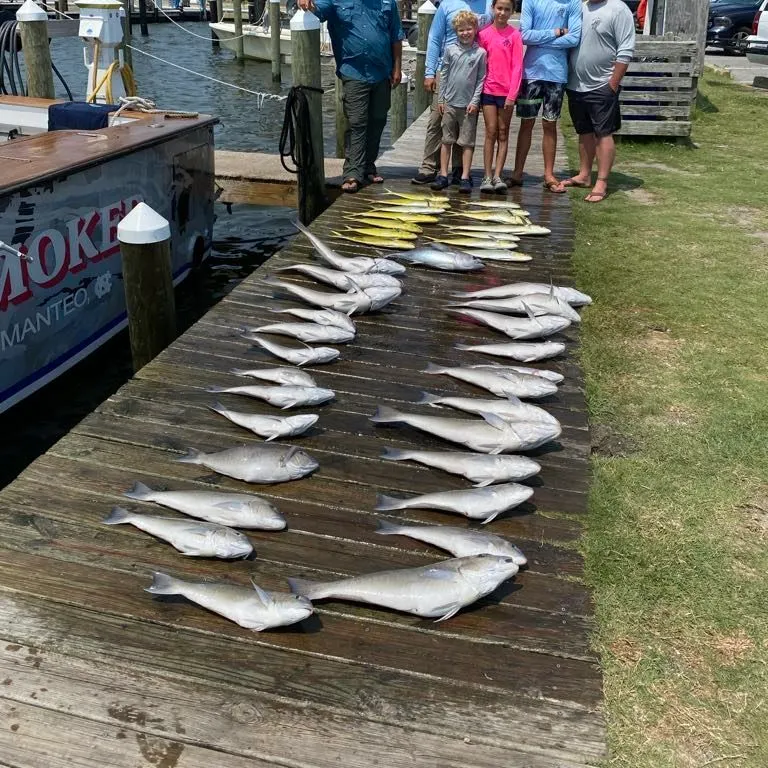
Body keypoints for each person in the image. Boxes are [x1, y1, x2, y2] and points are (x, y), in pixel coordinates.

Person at [298, 0, 404, 193]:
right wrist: (306, 3)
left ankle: (368, 167)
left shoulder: (388, 3)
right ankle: (352, 172)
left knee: (378, 119)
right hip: (354, 71)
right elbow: (316, 10)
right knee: (357, 122)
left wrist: (397, 68)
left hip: (382, 71)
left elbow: (396, 36)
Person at [559, 0, 635, 202]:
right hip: (576, 85)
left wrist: (613, 84)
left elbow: (626, 49)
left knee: (603, 133)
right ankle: (584, 175)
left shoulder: (618, 9)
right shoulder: (581, 8)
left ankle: (601, 180)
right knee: (584, 132)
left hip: (602, 84)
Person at [411, 0, 491, 186]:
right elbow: (434, 38)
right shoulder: (447, 4)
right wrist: (430, 72)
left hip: (472, 71)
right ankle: (429, 167)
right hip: (446, 69)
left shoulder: (488, 5)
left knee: (464, 124)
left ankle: (458, 170)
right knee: (436, 121)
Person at [506, 0, 582, 192]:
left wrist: (541, 39)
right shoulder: (531, 1)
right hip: (531, 73)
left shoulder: (572, 2)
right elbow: (525, 35)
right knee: (527, 122)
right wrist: (556, 32)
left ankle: (549, 174)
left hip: (557, 74)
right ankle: (517, 172)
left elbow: (574, 38)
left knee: (550, 124)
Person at [431, 11, 487, 193]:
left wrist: (475, 100)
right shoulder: (450, 50)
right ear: (456, 31)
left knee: (467, 142)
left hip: (468, 105)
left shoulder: (480, 53)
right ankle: (443, 174)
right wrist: (441, 98)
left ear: (475, 29)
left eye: (469, 29)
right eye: (461, 30)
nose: (465, 33)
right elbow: (445, 74)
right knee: (446, 139)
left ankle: (464, 175)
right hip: (450, 103)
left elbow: (481, 79)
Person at [477, 0, 523, 193]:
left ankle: (498, 175)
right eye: (499, 8)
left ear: (512, 12)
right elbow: (478, 64)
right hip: (488, 91)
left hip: (506, 94)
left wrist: (513, 95)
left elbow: (517, 67)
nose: (502, 13)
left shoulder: (515, 35)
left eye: (507, 9)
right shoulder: (483, 34)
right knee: (491, 131)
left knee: (503, 133)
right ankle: (487, 176)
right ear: (493, 9)